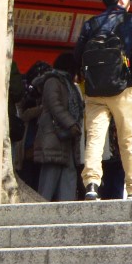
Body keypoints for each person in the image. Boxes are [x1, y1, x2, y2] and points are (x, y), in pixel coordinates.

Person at [75, 0, 132, 200]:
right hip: (123, 88)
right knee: (127, 139)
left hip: (95, 91)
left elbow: (77, 54)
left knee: (95, 138)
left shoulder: (91, 24)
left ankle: (91, 184)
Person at [20, 53, 82, 201]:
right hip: (54, 136)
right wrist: (71, 123)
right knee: (48, 182)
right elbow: (55, 106)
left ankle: (67, 213)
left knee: (68, 177)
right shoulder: (53, 81)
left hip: (67, 139)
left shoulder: (68, 84)